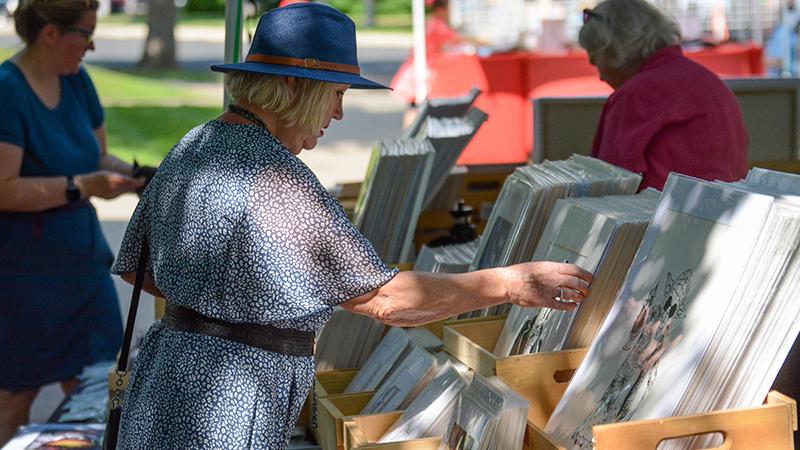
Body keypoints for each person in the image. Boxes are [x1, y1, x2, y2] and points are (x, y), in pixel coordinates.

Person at [111, 4, 593, 448]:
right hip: (227, 405)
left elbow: (138, 268)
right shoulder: (276, 177)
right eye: (336, 94)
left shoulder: (196, 143)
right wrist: (509, 283)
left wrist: (224, 305)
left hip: (166, 382)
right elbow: (386, 299)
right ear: (296, 88)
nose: (339, 113)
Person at [0, 0, 146, 444]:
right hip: (24, 275)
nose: (92, 45)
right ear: (49, 34)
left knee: (100, 384)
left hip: (83, 264)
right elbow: (4, 187)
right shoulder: (7, 90)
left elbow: (98, 156)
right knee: (16, 395)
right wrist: (82, 186)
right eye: (85, 33)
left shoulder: (78, 81)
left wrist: (144, 178)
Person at [580, 0, 748, 191]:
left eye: (595, 61)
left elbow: (610, 187)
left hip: (662, 216)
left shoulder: (634, 96)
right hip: (725, 211)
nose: (601, 76)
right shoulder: (711, 82)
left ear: (612, 51)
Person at [390, 0, 466, 128]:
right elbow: (456, 39)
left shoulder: (432, 23)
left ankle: (409, 136)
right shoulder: (438, 26)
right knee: (419, 105)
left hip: (418, 68)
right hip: (425, 70)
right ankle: (411, 135)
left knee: (414, 106)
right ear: (440, 9)